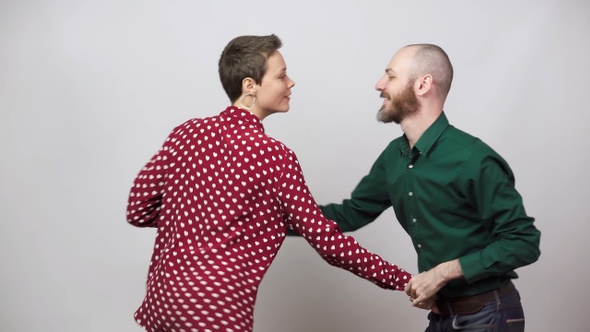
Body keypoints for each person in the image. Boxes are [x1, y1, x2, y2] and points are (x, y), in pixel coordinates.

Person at [126, 34, 412, 332]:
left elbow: (138, 209)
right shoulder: (274, 155)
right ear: (250, 86)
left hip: (163, 300)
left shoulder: (187, 133)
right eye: (282, 75)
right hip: (214, 308)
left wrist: (196, 219)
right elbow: (327, 241)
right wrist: (403, 280)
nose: (291, 83)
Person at [313, 44, 541, 331]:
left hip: (488, 314)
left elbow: (523, 242)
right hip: (441, 316)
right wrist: (268, 216)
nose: (379, 85)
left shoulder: (473, 158)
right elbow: (352, 213)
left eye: (390, 76)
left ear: (423, 84)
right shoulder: (393, 156)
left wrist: (443, 272)